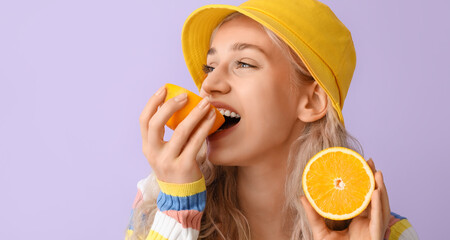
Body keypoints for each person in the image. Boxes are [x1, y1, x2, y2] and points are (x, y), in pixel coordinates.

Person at [126, 0, 419, 239]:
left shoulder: (384, 233)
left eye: (244, 63)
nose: (208, 85)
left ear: (312, 100)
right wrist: (179, 206)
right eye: (210, 66)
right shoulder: (157, 200)